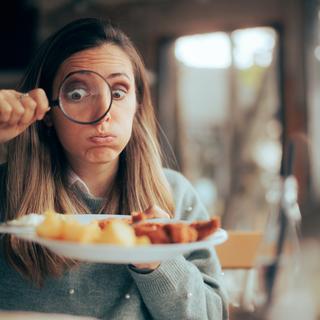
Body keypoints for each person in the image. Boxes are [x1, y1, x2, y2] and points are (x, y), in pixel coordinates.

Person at [0, 18, 228, 319]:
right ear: (48, 112)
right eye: (77, 94)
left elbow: (212, 315)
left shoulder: (176, 194)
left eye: (118, 93)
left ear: (138, 105)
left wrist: (156, 258)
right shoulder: (5, 190)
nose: (102, 116)